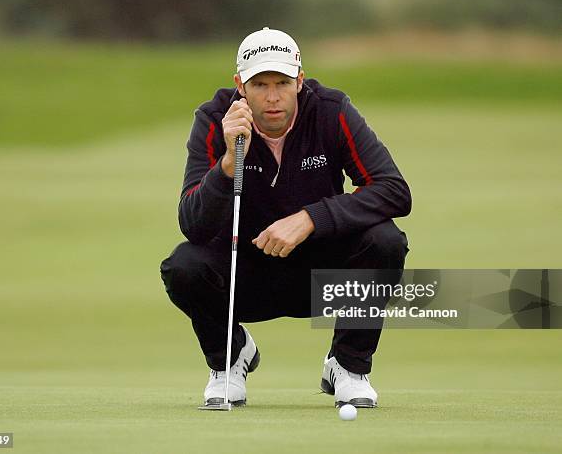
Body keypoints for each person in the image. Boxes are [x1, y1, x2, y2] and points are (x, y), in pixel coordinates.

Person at [160, 27, 411, 408]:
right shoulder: (215, 120)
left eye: (283, 83)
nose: (273, 97)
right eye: (260, 84)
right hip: (245, 275)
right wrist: (229, 163)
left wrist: (311, 218)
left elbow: (393, 189)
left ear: (300, 81)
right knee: (183, 266)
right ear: (239, 86)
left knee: (385, 241)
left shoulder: (330, 111)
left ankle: (348, 366)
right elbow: (193, 224)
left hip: (324, 280)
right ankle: (229, 359)